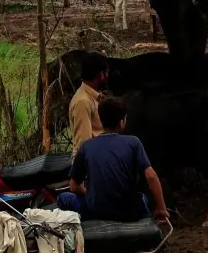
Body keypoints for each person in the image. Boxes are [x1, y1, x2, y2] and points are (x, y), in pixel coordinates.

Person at [60, 96, 171, 227]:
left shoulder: (86, 146)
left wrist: (90, 194)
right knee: (142, 199)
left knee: (63, 198)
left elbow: (74, 186)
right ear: (122, 121)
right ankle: (147, 228)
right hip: (128, 212)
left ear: (101, 120)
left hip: (95, 211)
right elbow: (151, 176)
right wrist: (162, 209)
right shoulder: (133, 143)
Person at [68, 62, 109, 152]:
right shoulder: (83, 102)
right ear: (100, 75)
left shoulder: (95, 97)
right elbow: (84, 143)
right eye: (106, 73)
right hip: (92, 161)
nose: (107, 78)